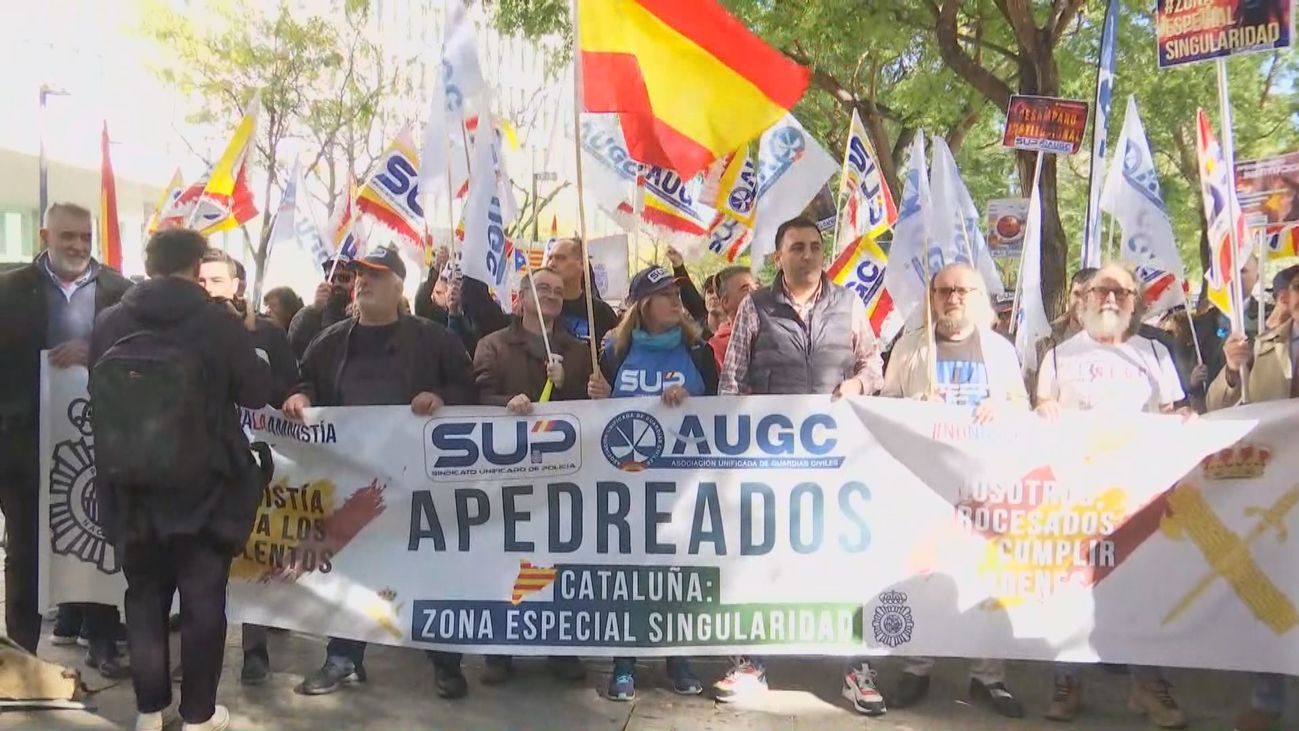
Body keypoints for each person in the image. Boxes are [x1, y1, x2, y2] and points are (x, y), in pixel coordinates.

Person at [89, 228, 272, 731]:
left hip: (129, 485)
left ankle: (149, 713)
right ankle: (198, 715)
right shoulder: (218, 322)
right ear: (196, 267)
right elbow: (257, 393)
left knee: (144, 598)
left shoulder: (109, 321)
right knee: (203, 604)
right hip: (203, 488)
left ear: (149, 265)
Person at [283, 246, 477, 699]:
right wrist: (301, 398)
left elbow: (467, 386)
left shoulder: (435, 341)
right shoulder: (329, 341)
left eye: (375, 274)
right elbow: (302, 379)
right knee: (354, 569)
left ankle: (445, 660)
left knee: (429, 570)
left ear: (398, 286)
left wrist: (439, 398)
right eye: (359, 275)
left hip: (419, 486)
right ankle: (344, 657)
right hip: (353, 484)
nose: (363, 282)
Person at [716, 216, 884, 707]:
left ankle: (858, 668)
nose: (807, 255)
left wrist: (858, 384)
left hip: (837, 462)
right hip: (770, 463)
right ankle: (752, 662)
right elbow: (731, 379)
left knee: (844, 558)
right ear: (779, 256)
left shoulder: (849, 305)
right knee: (764, 559)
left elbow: (873, 364)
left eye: (814, 246)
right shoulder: (755, 306)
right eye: (797, 247)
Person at [1035, 263, 1189, 728]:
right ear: (1082, 300)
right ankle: (1068, 681)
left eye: (1122, 292)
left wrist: (1184, 420)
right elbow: (1042, 408)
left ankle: (1148, 686)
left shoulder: (1154, 355)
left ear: (1134, 303)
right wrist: (1044, 409)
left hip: (1136, 500)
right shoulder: (1059, 357)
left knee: (1140, 591)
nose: (1111, 299)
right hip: (1075, 500)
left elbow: (1172, 412)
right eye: (1102, 290)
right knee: (1072, 590)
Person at [880, 263, 1027, 718]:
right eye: (943, 290)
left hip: (984, 484)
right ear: (931, 298)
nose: (953, 298)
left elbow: (1022, 407)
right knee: (923, 574)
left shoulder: (1001, 352)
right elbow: (883, 410)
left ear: (979, 297)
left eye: (963, 290)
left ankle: (988, 678)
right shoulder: (909, 348)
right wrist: (913, 409)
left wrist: (1001, 406)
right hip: (926, 486)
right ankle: (917, 666)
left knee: (987, 578)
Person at [0, 202, 131, 676]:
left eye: (85, 236)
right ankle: (20, 653)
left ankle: (101, 640)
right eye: (67, 236)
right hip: (23, 448)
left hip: (99, 445)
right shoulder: (10, 290)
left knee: (97, 543)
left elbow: (139, 350)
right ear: (44, 235)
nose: (78, 246)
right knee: (25, 551)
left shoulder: (120, 290)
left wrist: (94, 351)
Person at [587, 265, 715, 701]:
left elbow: (723, 409)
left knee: (677, 572)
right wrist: (598, 398)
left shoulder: (698, 350)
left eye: (676, 292)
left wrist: (691, 403)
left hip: (682, 485)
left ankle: (677, 657)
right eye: (664, 294)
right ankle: (624, 661)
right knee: (629, 573)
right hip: (627, 486)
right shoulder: (615, 353)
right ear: (643, 305)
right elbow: (597, 417)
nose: (675, 300)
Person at [470, 266, 593, 687]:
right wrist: (508, 402)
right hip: (505, 477)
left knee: (557, 561)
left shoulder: (579, 351)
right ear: (520, 298)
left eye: (558, 291)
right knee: (505, 561)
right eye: (542, 288)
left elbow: (591, 414)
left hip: (559, 478)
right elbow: (477, 397)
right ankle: (499, 651)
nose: (552, 295)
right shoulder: (492, 345)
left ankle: (561, 647)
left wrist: (576, 388)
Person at [196, 249, 299, 686]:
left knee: (256, 554)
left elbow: (288, 383)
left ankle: (254, 650)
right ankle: (198, 656)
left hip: (254, 463)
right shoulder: (185, 330)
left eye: (218, 281)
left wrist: (296, 397)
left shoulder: (270, 335)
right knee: (202, 568)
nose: (210, 289)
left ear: (237, 286)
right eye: (202, 281)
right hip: (201, 463)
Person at [1206, 266, 1297, 731]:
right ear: (1282, 297)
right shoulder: (1256, 348)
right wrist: (1230, 369)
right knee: (1272, 590)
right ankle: (1267, 696)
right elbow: (1218, 409)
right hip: (1275, 490)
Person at [545, 237, 619, 346]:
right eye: (550, 258)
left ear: (582, 264)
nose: (551, 264)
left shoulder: (601, 313)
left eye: (561, 258)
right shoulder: (538, 307)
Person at [288, 258, 356, 360]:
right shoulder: (308, 313)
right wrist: (314, 312)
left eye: (344, 278)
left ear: (356, 280)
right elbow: (295, 350)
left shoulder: (364, 312)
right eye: (331, 278)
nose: (336, 284)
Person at [707, 266, 756, 370]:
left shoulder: (776, 332)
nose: (755, 293)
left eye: (756, 287)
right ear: (725, 302)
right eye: (746, 289)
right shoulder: (715, 348)